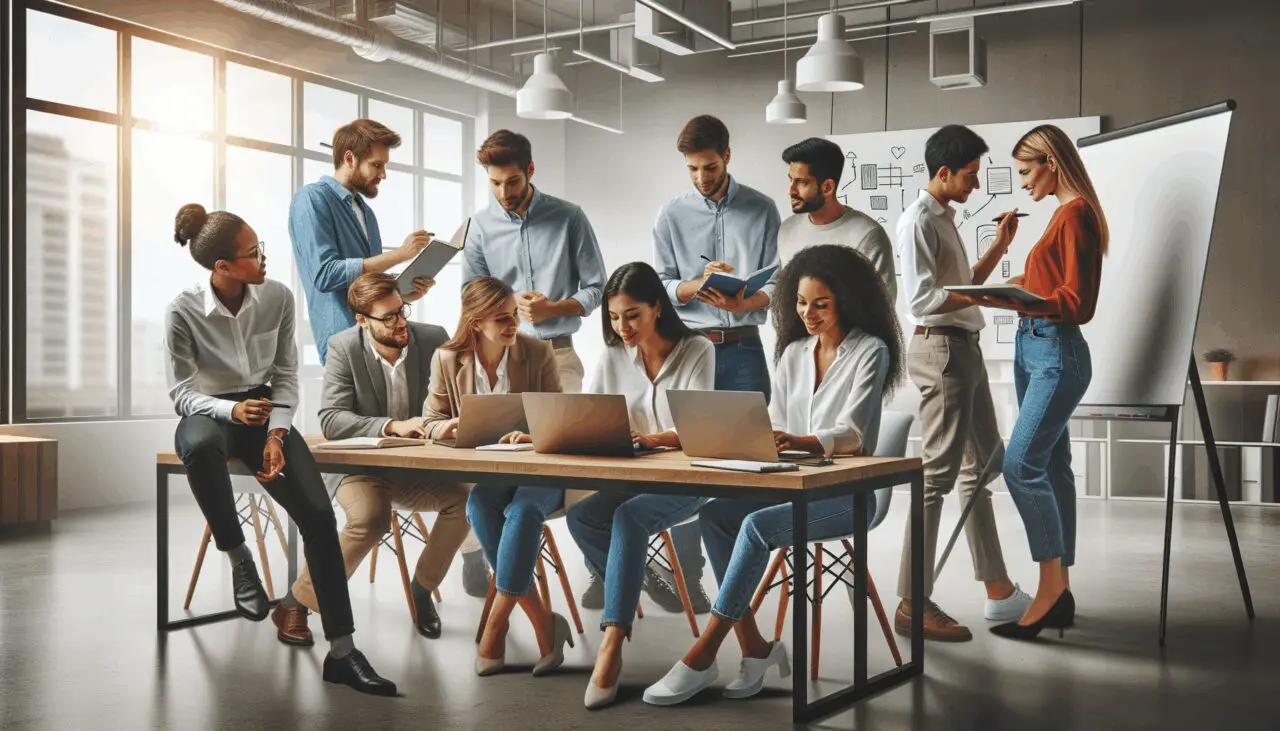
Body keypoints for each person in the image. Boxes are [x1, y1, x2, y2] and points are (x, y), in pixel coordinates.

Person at [642, 244, 903, 706]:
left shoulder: (871, 351)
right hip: (789, 482)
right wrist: (750, 439)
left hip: (845, 495)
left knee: (756, 525)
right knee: (718, 515)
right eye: (801, 303)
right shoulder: (794, 353)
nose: (808, 313)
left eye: (821, 304)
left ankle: (704, 651)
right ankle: (754, 648)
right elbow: (775, 423)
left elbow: (856, 434)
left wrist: (803, 441)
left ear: (846, 300)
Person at [166, 203, 395, 696]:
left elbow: (287, 376)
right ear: (223, 267)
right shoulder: (182, 310)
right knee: (200, 444)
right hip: (209, 413)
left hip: (266, 413)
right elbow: (181, 392)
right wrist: (232, 413)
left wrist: (275, 433)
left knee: (317, 515)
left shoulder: (278, 298)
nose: (263, 258)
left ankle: (342, 651)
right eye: (253, 253)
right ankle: (237, 555)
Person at [290, 119, 488, 597]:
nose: (383, 175)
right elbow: (324, 274)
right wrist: (398, 255)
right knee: (371, 455)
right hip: (347, 334)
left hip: (381, 330)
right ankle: (309, 596)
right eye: (377, 165)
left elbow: (370, 286)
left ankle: (440, 571)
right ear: (349, 158)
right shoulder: (313, 200)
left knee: (422, 424)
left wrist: (405, 286)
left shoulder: (363, 210)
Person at [958, 125, 1107, 640]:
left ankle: (1048, 588)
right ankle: (1060, 587)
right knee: (1054, 465)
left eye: (1025, 171)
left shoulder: (1075, 215)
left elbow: (1078, 304)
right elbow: (1054, 285)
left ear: (1051, 162)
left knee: (1020, 466)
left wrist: (1009, 299)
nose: (1022, 184)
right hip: (1034, 347)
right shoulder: (1062, 217)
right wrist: (1014, 283)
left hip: (1054, 351)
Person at [273, 273, 467, 645]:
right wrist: (393, 425)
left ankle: (423, 588)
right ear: (362, 319)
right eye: (389, 317)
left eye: (402, 310)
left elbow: (454, 399)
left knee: (465, 501)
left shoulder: (433, 338)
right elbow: (331, 418)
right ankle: (296, 602)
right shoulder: (343, 347)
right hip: (360, 470)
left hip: (417, 468)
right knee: (369, 518)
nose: (401, 322)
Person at [893, 125, 1030, 643]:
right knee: (937, 477)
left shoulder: (944, 217)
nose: (976, 184)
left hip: (962, 348)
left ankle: (997, 590)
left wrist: (999, 249)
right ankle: (912, 602)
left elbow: (961, 283)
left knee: (984, 465)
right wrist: (991, 297)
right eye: (970, 175)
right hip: (942, 348)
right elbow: (923, 301)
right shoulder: (916, 221)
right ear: (943, 172)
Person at [565, 262, 716, 709]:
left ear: (657, 307)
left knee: (627, 518)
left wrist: (652, 439)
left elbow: (700, 427)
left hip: (690, 477)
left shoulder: (698, 349)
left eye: (631, 315)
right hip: (632, 476)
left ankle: (612, 643)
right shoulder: (612, 356)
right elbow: (587, 414)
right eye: (613, 317)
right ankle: (638, 578)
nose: (622, 327)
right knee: (582, 517)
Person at [650, 114, 781, 615]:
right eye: (692, 169)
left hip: (744, 347)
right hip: (691, 348)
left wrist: (747, 301)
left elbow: (776, 284)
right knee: (691, 464)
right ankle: (690, 579)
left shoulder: (762, 209)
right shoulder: (670, 214)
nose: (702, 178)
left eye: (709, 166)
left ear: (727, 155)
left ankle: (739, 582)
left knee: (746, 466)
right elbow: (659, 283)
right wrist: (694, 284)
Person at [421, 277, 575, 678]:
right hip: (492, 475)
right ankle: (544, 621)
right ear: (475, 322)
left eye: (513, 317)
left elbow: (562, 420)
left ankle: (496, 625)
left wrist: (533, 433)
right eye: (501, 319)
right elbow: (430, 420)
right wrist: (446, 428)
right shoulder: (447, 359)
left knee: (523, 512)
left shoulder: (538, 353)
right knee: (479, 505)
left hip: (542, 469)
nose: (512, 326)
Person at [462, 129, 607, 393]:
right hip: (502, 356)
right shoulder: (478, 227)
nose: (504, 192)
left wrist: (551, 309)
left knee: (565, 434)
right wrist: (513, 301)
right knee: (505, 435)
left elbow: (597, 288)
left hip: (559, 356)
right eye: (495, 183)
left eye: (513, 181)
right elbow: (471, 293)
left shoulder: (570, 217)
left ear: (530, 169)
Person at [778, 137, 897, 301]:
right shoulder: (787, 229)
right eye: (791, 180)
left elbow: (883, 309)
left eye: (802, 182)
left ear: (827, 187)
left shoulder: (867, 235)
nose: (791, 190)